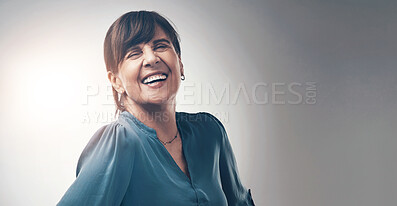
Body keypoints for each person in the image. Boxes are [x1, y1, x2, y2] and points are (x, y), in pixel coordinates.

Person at [58, 10, 255, 206]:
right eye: (134, 53)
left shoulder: (210, 132)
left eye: (160, 46)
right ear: (116, 81)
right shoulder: (119, 143)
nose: (151, 59)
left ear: (180, 63)